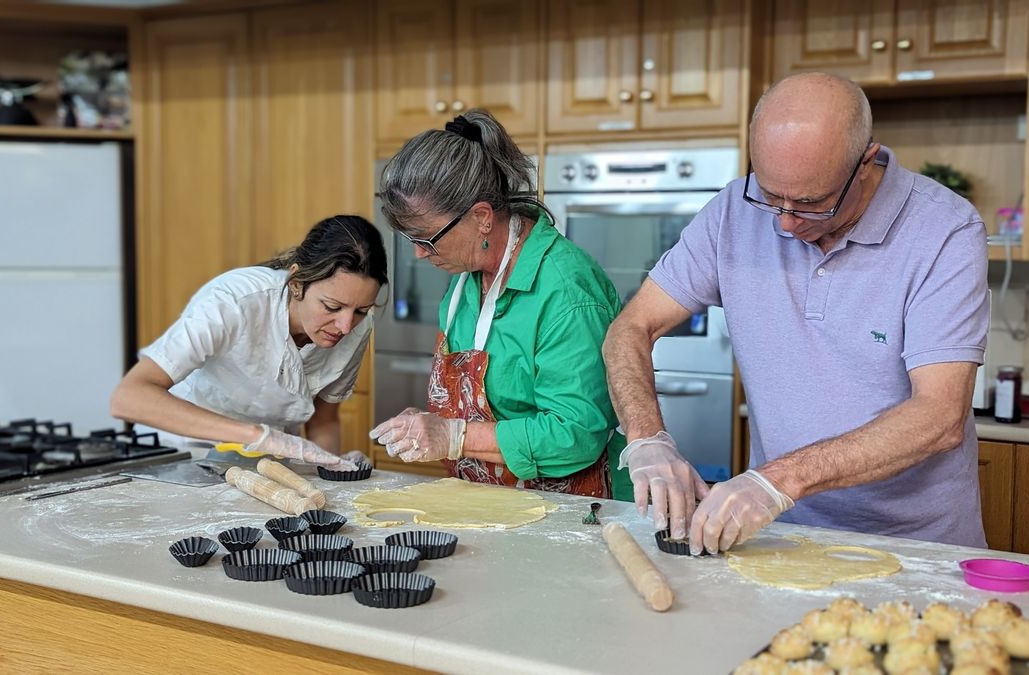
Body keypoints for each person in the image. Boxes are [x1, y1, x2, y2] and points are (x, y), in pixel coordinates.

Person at [603, 72, 989, 552]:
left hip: (915, 547)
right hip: (779, 537)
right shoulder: (731, 213)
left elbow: (940, 414)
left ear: (865, 161)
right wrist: (646, 438)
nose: (784, 222)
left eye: (811, 203)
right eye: (769, 195)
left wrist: (776, 480)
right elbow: (632, 327)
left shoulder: (944, 231)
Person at [368, 110, 629, 499]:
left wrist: (455, 436)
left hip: (569, 509)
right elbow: (482, 405)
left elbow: (575, 435)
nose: (419, 255)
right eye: (410, 240)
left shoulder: (566, 290)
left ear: (482, 217)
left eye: (427, 238)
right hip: (487, 501)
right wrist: (433, 424)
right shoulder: (464, 281)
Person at [110, 215, 385, 468]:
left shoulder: (358, 329)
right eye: (331, 306)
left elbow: (323, 420)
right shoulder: (233, 302)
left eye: (361, 310)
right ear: (297, 282)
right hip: (179, 453)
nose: (346, 326)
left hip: (265, 462)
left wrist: (329, 467)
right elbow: (130, 398)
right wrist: (258, 436)